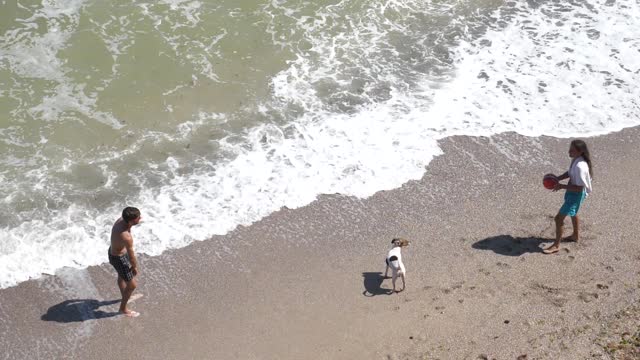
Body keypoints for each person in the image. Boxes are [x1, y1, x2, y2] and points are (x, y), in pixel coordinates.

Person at [543, 140, 593, 254]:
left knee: (558, 219)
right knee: (573, 212)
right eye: (569, 149)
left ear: (580, 152)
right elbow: (570, 172)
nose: (569, 151)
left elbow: (579, 188)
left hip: (575, 194)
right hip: (572, 192)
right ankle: (575, 236)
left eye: (572, 150)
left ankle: (556, 245)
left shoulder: (581, 166)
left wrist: (561, 186)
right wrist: (558, 178)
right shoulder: (576, 159)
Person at [109, 207, 142, 317]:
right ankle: (123, 309)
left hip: (114, 251)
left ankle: (125, 294)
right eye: (138, 218)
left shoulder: (121, 220)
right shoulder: (126, 237)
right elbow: (131, 255)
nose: (140, 218)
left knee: (122, 276)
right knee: (132, 285)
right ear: (131, 221)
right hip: (118, 258)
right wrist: (134, 267)